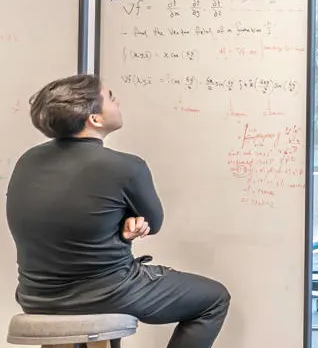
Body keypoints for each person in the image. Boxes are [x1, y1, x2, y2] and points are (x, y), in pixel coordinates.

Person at [6, 75, 231, 348]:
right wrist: (129, 225)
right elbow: (154, 222)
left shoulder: (28, 160)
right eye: (110, 96)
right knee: (214, 298)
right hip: (107, 292)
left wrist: (122, 230)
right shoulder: (126, 167)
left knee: (103, 297)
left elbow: (65, 223)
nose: (117, 100)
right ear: (95, 119)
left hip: (35, 296)